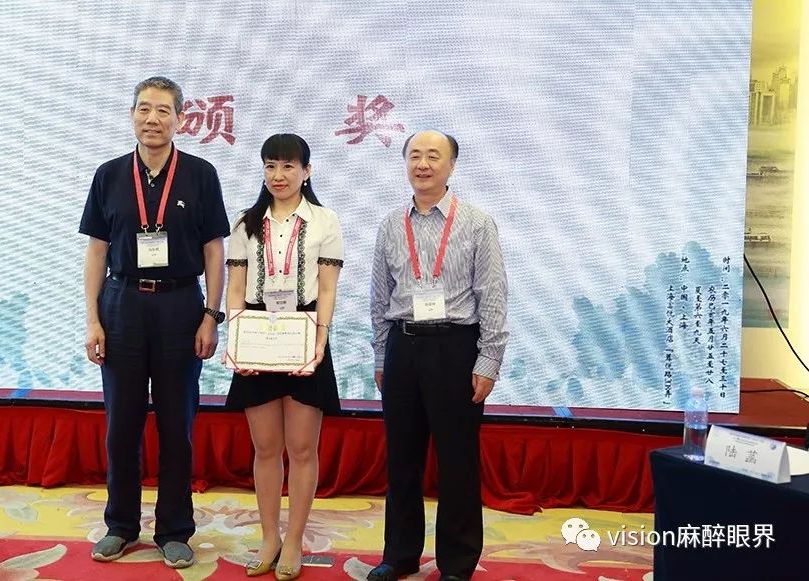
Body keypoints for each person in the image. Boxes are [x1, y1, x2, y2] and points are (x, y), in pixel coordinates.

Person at [79, 76, 230, 568]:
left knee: (176, 425)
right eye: (144, 109)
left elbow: (214, 250)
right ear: (132, 115)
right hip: (122, 304)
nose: (152, 119)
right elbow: (97, 252)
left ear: (181, 119)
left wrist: (211, 316)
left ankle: (174, 530)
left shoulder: (201, 174)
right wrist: (93, 319)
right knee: (121, 425)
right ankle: (120, 526)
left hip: (181, 306)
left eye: (164, 110)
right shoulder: (108, 175)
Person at [368, 130, 508, 581]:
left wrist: (488, 360)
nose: (422, 164)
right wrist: (381, 356)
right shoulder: (391, 224)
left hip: (455, 347)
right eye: (415, 155)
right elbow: (379, 298)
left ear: (452, 166)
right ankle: (399, 555)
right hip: (403, 345)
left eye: (433, 156)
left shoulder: (477, 222)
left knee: (457, 460)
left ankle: (457, 562)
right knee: (401, 458)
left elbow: (493, 296)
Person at [223, 134, 344, 580]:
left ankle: (294, 540)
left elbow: (327, 288)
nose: (279, 175)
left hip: (304, 332)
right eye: (271, 165)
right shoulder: (245, 223)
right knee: (266, 448)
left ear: (306, 172)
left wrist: (320, 339)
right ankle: (269, 537)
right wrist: (236, 340)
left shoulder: (325, 220)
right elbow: (236, 289)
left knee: (303, 448)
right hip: (257, 333)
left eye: (289, 166)